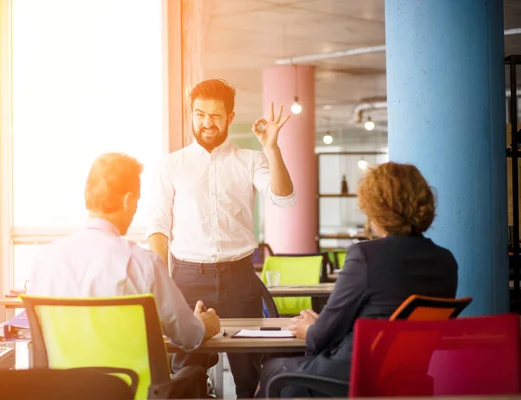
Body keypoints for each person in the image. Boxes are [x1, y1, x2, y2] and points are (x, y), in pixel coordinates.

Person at [256, 162, 459, 398]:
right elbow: (387, 318)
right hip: (404, 375)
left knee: (272, 366)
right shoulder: (446, 262)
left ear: (374, 208)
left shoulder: (366, 255)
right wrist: (321, 324)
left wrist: (313, 328)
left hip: (353, 374)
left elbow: (321, 338)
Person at [147, 79, 296, 398]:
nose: (206, 122)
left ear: (230, 116)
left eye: (215, 115)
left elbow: (283, 197)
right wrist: (161, 286)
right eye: (199, 114)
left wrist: (271, 147)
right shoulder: (171, 165)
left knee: (248, 374)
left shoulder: (250, 160)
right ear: (191, 114)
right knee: (188, 373)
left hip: (239, 278)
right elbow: (158, 228)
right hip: (186, 279)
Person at [26, 153, 221, 395]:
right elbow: (187, 337)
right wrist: (204, 325)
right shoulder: (143, 264)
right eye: (137, 201)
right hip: (134, 394)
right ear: (128, 200)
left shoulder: (44, 261)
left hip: (62, 394)